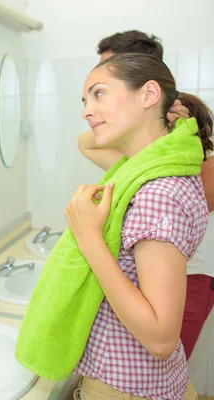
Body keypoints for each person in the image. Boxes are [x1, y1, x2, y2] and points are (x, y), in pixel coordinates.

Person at [69, 53, 212, 399]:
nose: (86, 110)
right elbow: (86, 140)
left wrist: (88, 238)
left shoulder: (157, 192)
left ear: (148, 95)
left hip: (126, 389)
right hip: (146, 383)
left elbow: (161, 339)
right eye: (85, 99)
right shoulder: (147, 173)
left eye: (99, 94)